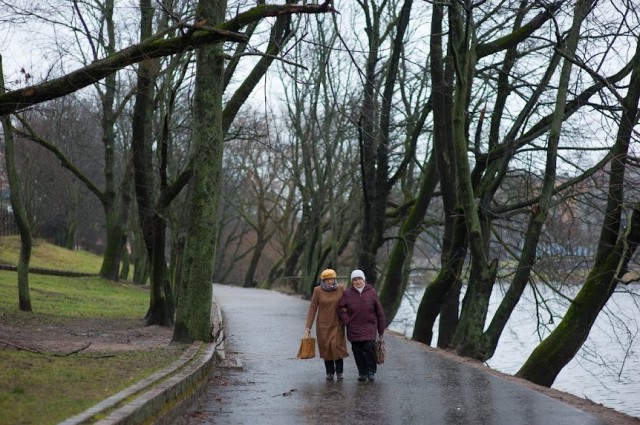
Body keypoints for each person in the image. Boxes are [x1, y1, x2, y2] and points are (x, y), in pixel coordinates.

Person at [338, 269, 386, 382]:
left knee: (369, 348)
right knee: (357, 351)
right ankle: (362, 372)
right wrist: (347, 321)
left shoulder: (372, 292)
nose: (357, 282)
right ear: (352, 281)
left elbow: (380, 313)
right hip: (353, 328)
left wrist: (381, 331)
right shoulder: (347, 293)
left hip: (369, 327)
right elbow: (340, 308)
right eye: (355, 280)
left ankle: (371, 371)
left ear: (363, 280)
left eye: (359, 279)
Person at [305, 268, 349, 380]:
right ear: (323, 280)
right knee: (326, 347)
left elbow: (347, 304)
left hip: (337, 322)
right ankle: (329, 372)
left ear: (335, 278)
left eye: (332, 278)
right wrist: (308, 326)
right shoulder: (318, 290)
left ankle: (340, 372)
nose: (330, 281)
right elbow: (313, 307)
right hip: (323, 324)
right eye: (327, 279)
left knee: (337, 346)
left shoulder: (341, 288)